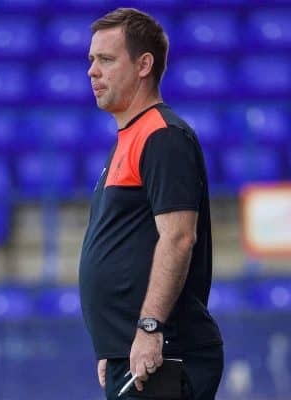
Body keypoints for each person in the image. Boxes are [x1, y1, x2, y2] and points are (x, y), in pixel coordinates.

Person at [79, 8, 223, 400]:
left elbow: (178, 238)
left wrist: (148, 329)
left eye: (106, 59)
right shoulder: (129, 137)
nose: (92, 71)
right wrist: (113, 343)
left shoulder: (163, 137)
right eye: (91, 60)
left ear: (144, 65)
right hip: (134, 354)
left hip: (163, 354)